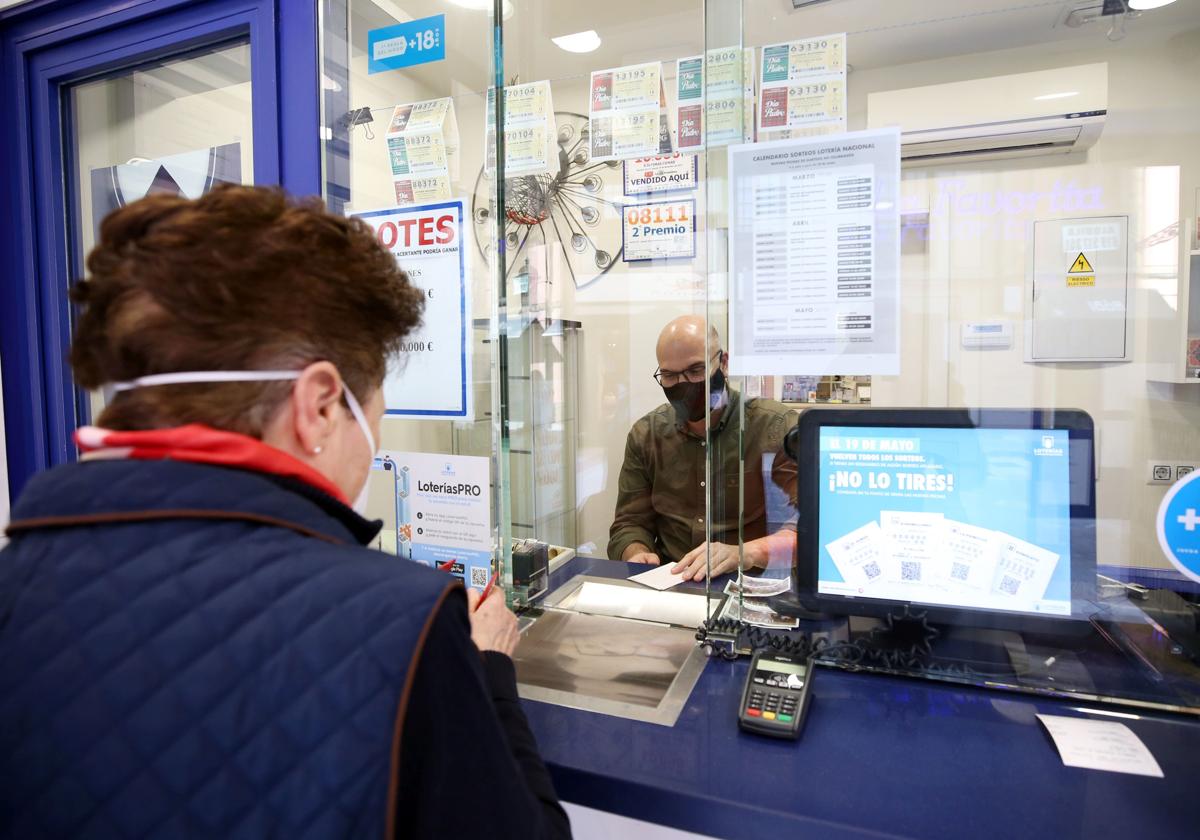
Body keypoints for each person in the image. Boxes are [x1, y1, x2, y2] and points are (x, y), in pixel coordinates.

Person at [0, 186, 570, 839]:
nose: (373, 446)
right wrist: (489, 669)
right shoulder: (403, 624)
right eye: (374, 418)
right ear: (321, 406)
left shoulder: (14, 587)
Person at [607, 315, 798, 581]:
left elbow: (811, 528)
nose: (683, 384)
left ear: (724, 363)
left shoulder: (775, 428)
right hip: (672, 584)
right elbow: (629, 524)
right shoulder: (647, 435)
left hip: (750, 587)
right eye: (670, 376)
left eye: (696, 370)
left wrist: (744, 553)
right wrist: (637, 553)